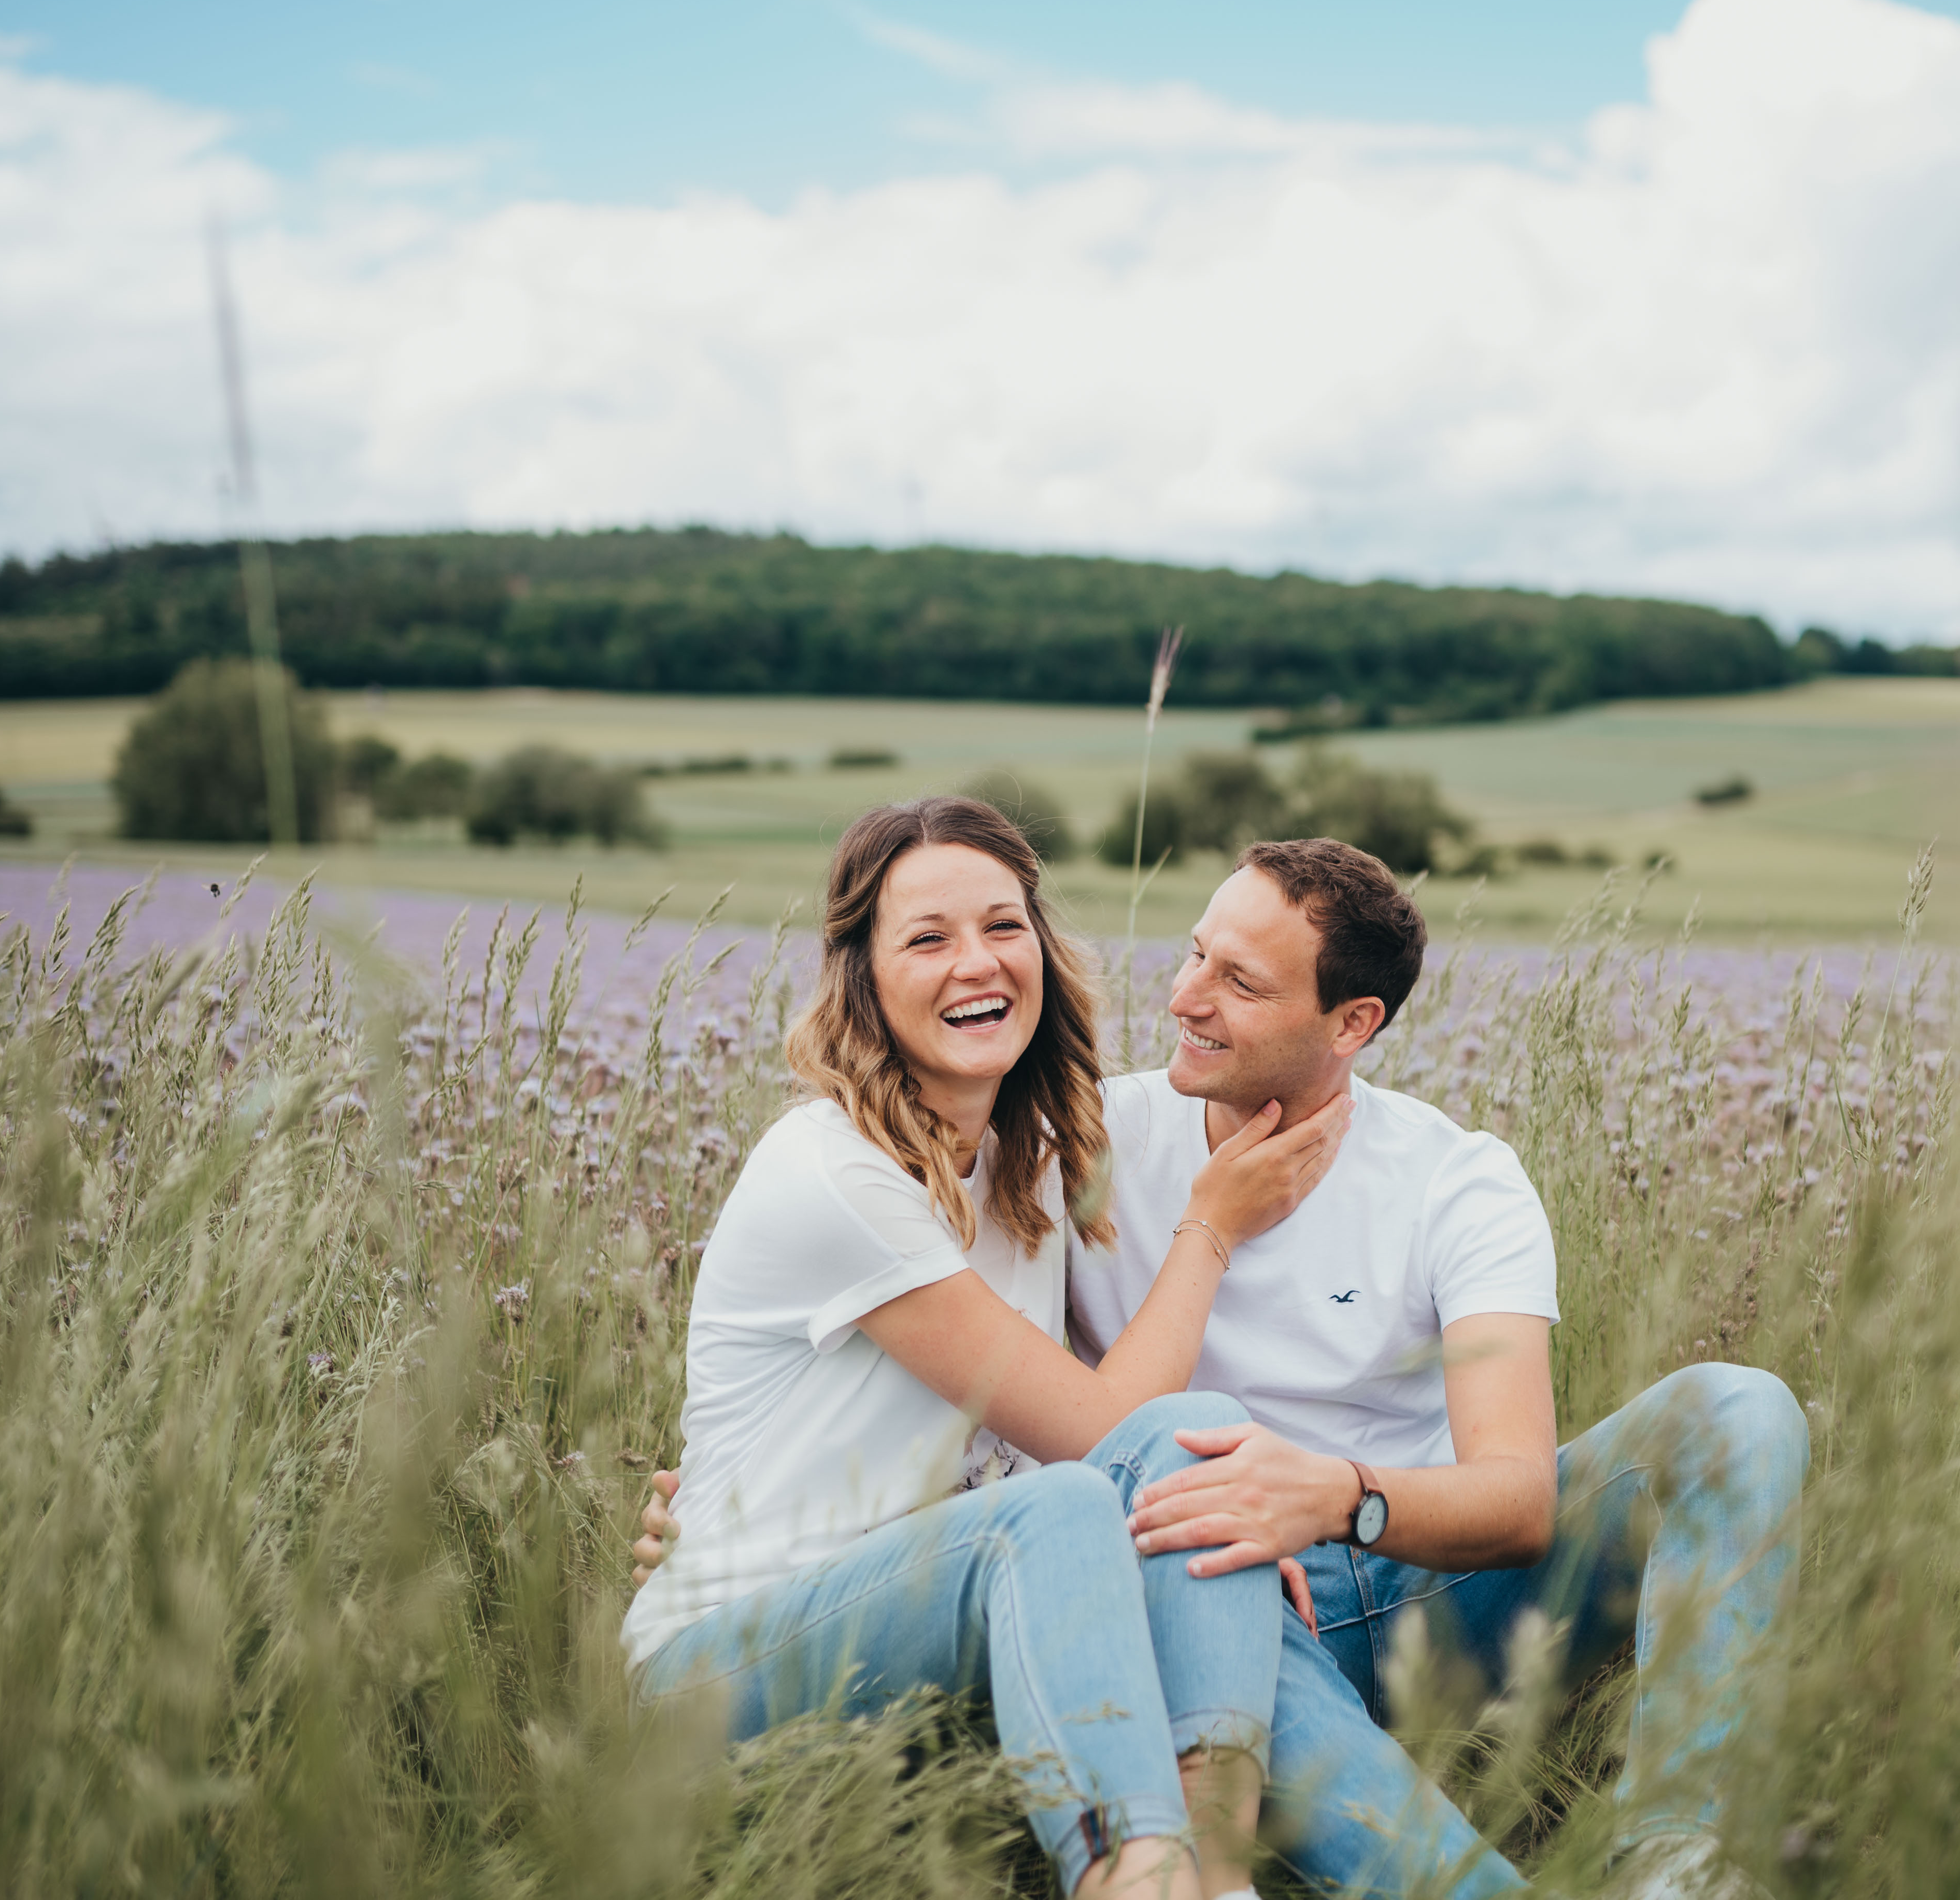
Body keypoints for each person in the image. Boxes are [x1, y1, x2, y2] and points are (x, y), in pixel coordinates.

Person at [644, 835, 1809, 1897]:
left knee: (1740, 1411)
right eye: (1195, 954)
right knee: (1192, 1477)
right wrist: (737, 1521)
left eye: (1238, 984)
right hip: (1195, 1599)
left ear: (1350, 1025)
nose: (1186, 999)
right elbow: (943, 1373)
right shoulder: (1066, 1153)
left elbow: (1516, 1500)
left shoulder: (1459, 1181)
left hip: (1412, 1584)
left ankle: (1681, 1866)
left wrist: (1337, 1495)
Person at [621, 797, 1352, 1900]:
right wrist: (1212, 1229)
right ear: (860, 975)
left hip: (901, 1642)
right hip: (715, 1676)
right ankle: (1140, 1881)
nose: (978, 963)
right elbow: (1098, 1444)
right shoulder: (835, 1174)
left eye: (1004, 926)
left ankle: (1218, 1873)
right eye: (927, 938)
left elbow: (1111, 1448)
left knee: (1193, 1450)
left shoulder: (1027, 1161)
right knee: (1101, 1489)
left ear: (1043, 951)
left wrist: (1212, 1489)